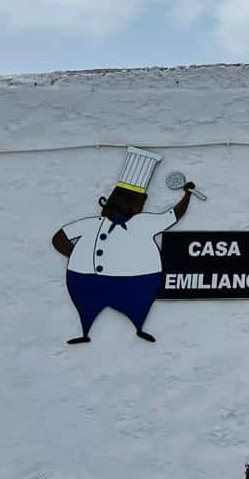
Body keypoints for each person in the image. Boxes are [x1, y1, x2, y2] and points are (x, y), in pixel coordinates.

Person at [50, 147, 197, 344]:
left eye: (127, 204)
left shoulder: (143, 223)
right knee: (87, 305)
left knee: (138, 304)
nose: (120, 208)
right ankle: (85, 332)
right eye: (117, 202)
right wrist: (79, 256)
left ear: (136, 207)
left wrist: (187, 195)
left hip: (136, 281)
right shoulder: (92, 224)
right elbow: (59, 238)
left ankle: (139, 328)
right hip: (86, 280)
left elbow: (173, 215)